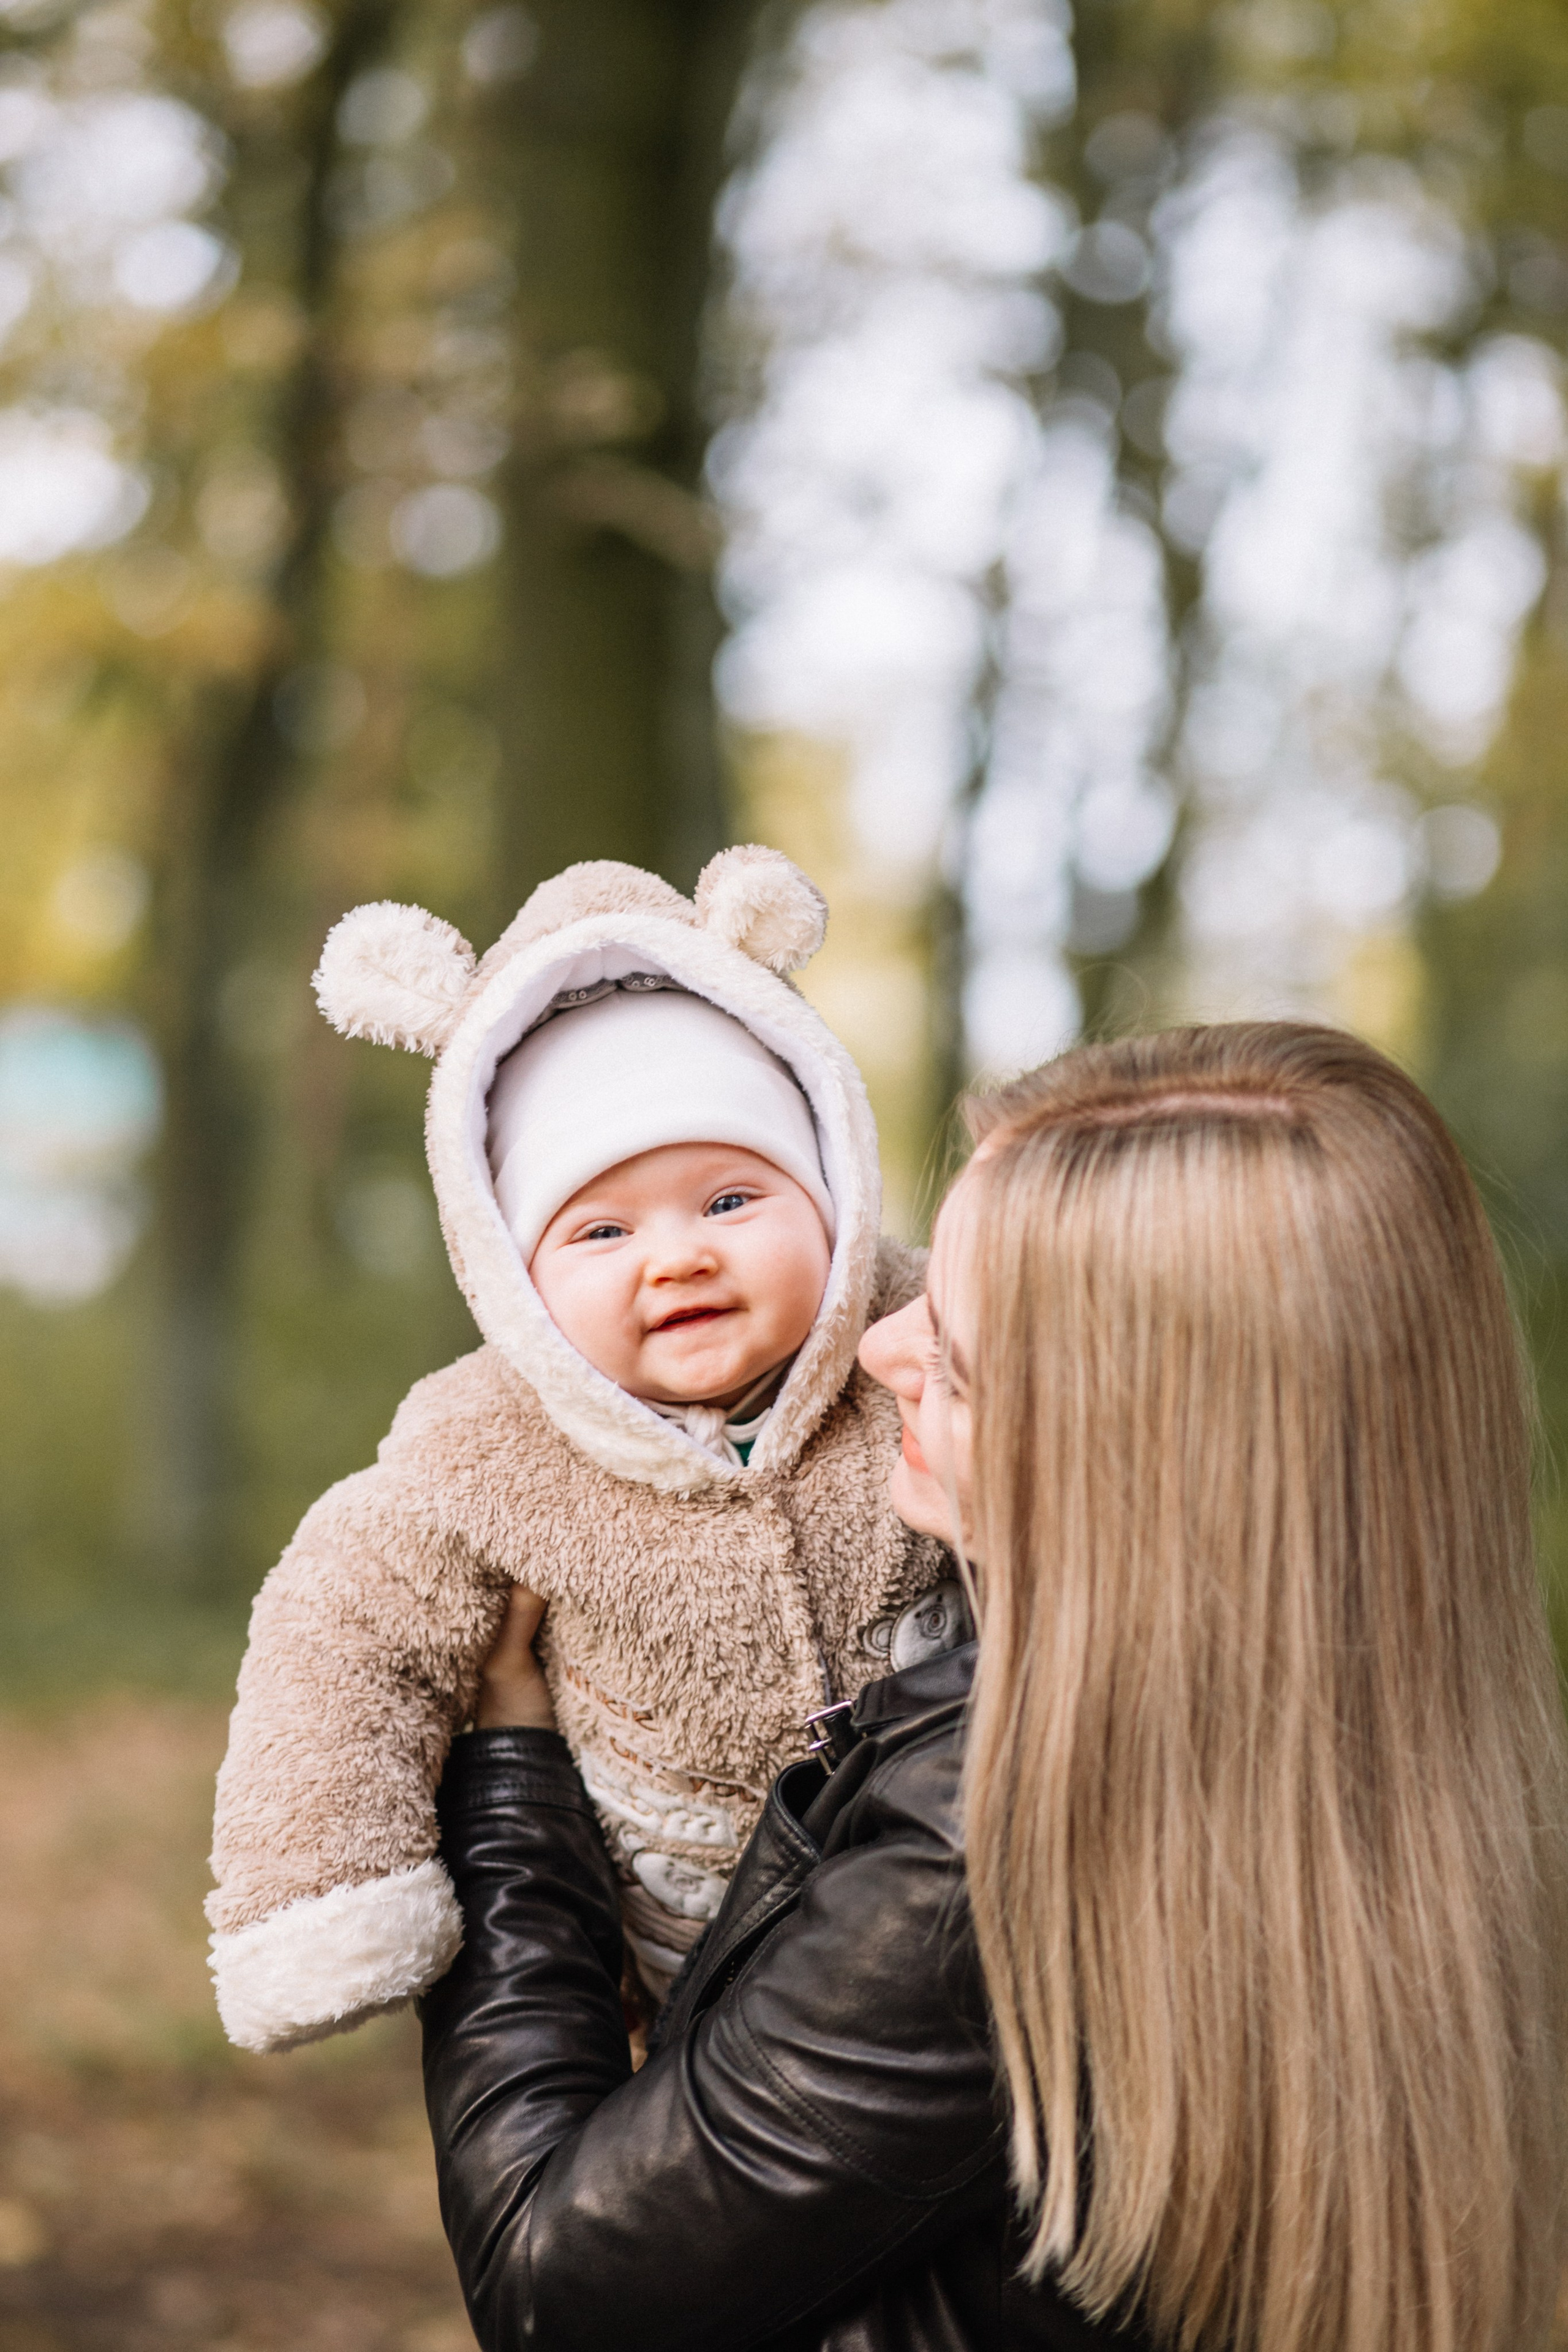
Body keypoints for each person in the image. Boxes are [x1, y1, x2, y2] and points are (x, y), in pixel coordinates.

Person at [423, 1021, 1568, 2352]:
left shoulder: (990, 1840)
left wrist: (507, 1764)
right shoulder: (1399, 1741)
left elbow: (553, 2285)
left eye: (956, 1364)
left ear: (1136, 1449)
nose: (875, 1349)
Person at [208, 850, 957, 2055]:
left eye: (729, 1202)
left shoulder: (921, 1344)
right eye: (601, 1230)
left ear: (832, 1191)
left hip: (955, 1921)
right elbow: (343, 1636)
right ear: (509, 1275)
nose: (677, 1259)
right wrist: (323, 1889)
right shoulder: (483, 1446)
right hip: (666, 1977)